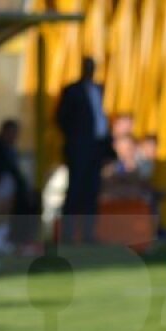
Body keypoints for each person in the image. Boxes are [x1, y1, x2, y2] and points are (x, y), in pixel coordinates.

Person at [56, 57, 110, 243]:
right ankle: (68, 234)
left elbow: (101, 119)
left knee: (92, 191)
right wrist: (76, 139)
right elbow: (61, 118)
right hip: (79, 149)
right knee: (75, 191)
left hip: (95, 148)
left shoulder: (99, 89)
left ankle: (88, 233)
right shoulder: (72, 90)